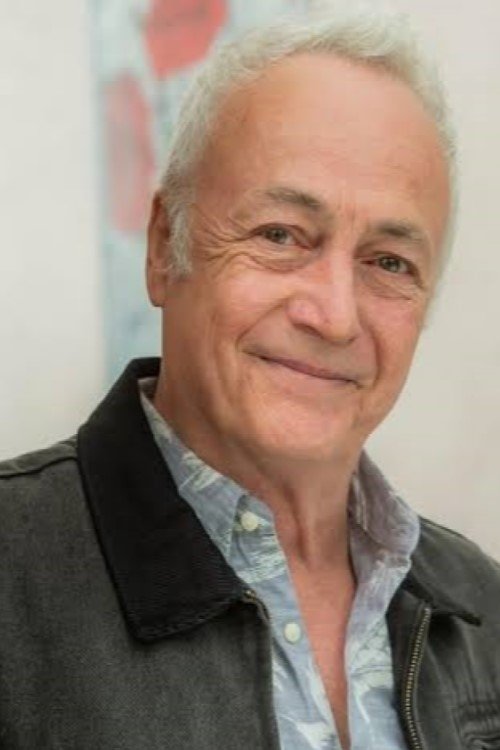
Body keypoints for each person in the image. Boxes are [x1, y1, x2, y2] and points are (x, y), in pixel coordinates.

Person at [1, 6, 499, 750]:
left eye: (389, 262)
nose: (335, 316)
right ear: (164, 249)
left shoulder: (480, 605)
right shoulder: (15, 580)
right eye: (280, 235)